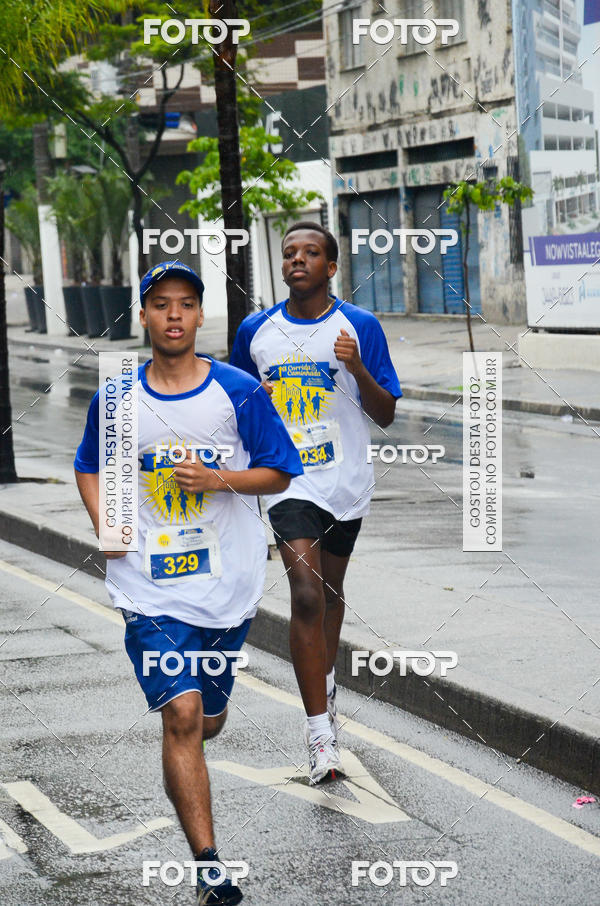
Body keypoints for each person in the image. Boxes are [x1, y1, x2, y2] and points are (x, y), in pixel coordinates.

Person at [74, 260, 302, 905]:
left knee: (208, 719)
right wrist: (107, 524)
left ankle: (191, 746)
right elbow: (89, 465)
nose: (173, 314)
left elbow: (281, 470)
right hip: (147, 585)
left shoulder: (238, 391)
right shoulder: (117, 398)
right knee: (182, 716)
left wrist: (218, 479)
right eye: (160, 304)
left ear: (200, 315)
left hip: (226, 585)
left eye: (185, 304)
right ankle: (210, 869)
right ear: (144, 315)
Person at [230, 222, 402, 784]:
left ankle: (325, 682)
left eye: (310, 253)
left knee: (329, 595)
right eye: (289, 253)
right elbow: (237, 409)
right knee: (305, 594)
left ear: (331, 268)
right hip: (288, 482)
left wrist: (357, 367)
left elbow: (385, 413)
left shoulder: (360, 326)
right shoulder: (256, 331)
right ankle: (319, 734)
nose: (297, 260)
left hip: (346, 481)